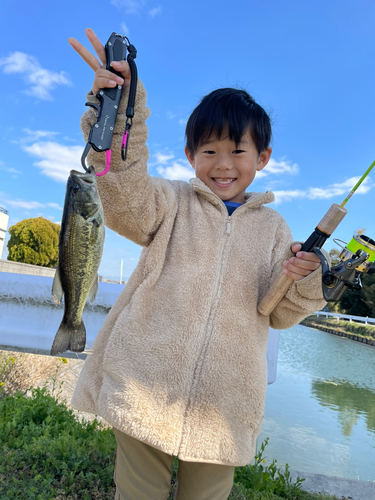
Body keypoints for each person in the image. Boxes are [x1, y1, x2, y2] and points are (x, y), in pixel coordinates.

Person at [70, 28, 325, 500]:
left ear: (262, 158)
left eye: (238, 151)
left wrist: (306, 280)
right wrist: (122, 109)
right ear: (190, 155)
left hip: (225, 408)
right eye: (209, 151)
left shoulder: (274, 228)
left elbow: (283, 313)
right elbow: (122, 191)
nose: (222, 164)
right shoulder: (169, 201)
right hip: (143, 384)